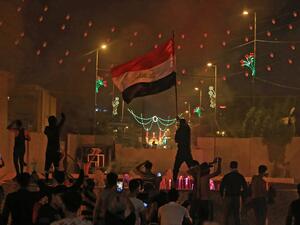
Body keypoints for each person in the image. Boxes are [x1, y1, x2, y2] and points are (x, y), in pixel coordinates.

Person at [192, 157, 222, 225]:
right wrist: (219, 163)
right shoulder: (206, 177)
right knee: (207, 219)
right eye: (208, 168)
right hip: (206, 200)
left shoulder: (197, 177)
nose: (209, 170)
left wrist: (211, 163)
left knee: (200, 218)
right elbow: (218, 172)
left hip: (199, 200)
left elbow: (193, 170)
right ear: (205, 170)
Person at [220, 161, 248, 225]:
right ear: (237, 166)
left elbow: (222, 187)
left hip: (228, 197)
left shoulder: (226, 176)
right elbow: (245, 187)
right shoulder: (240, 176)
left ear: (230, 167)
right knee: (237, 215)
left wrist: (222, 196)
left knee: (226, 215)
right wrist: (243, 197)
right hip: (237, 197)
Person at [44, 113, 66, 181]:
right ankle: (56, 178)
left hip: (49, 150)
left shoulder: (47, 129)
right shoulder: (57, 128)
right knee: (56, 166)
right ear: (55, 122)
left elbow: (45, 132)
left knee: (47, 165)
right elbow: (62, 123)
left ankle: (46, 179)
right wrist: (63, 117)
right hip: (56, 150)